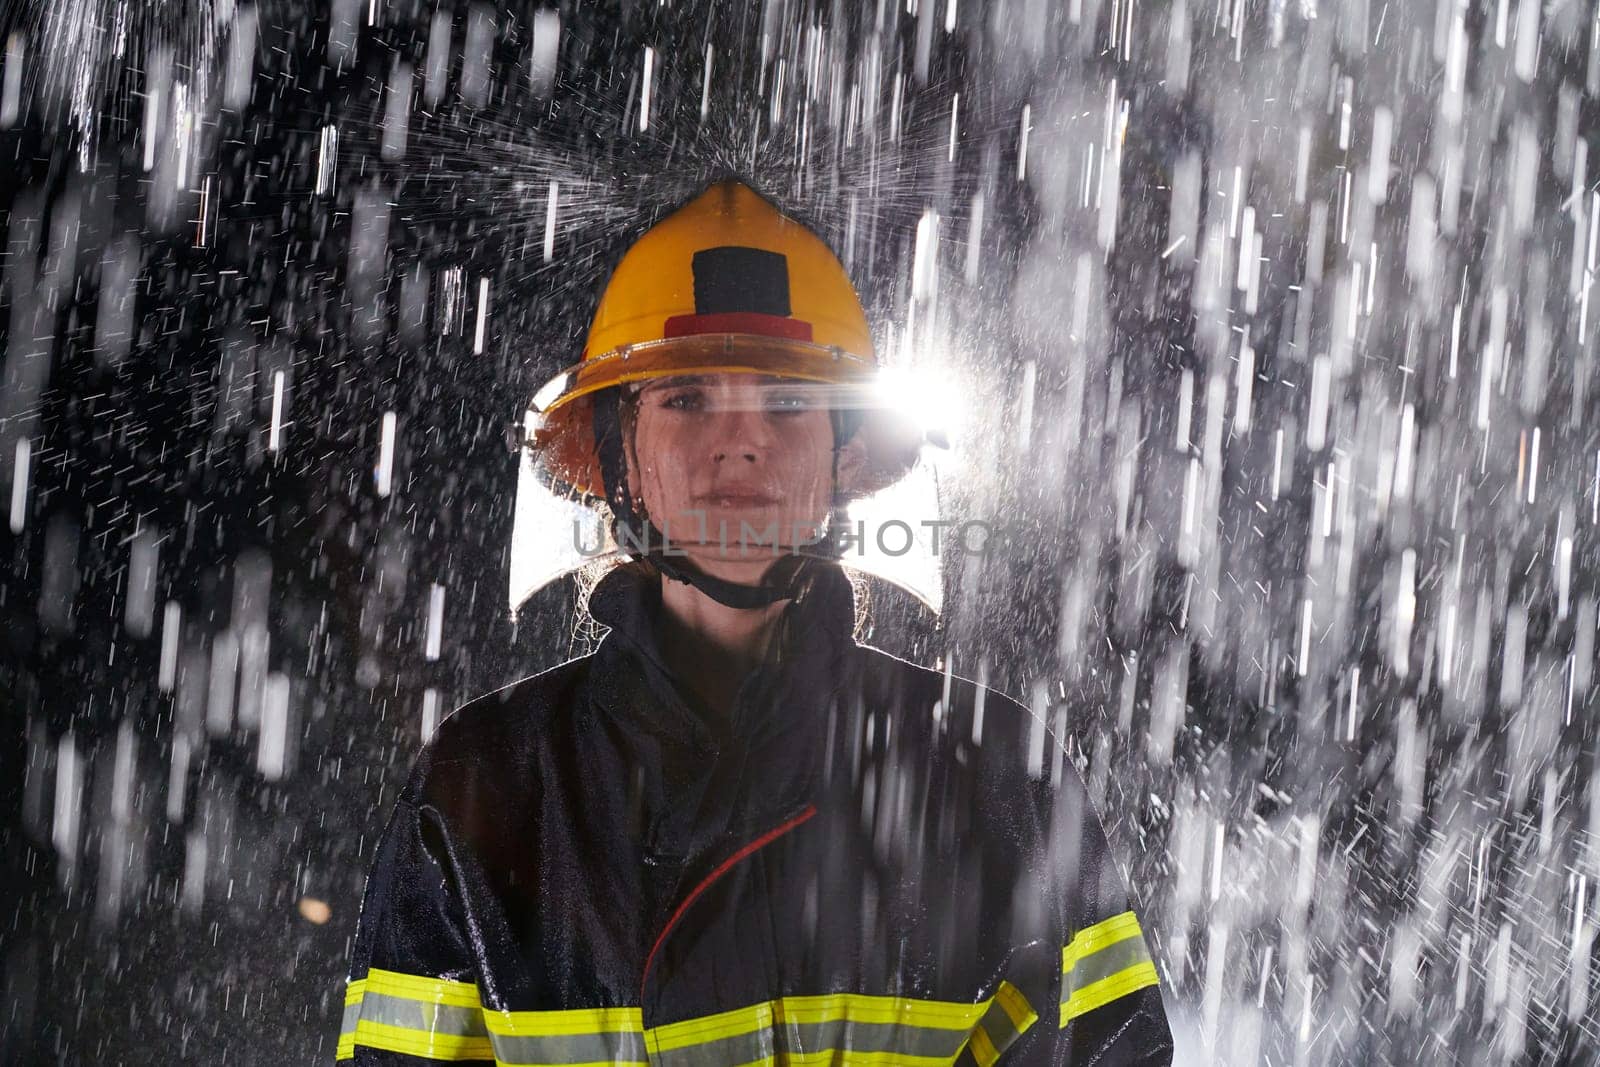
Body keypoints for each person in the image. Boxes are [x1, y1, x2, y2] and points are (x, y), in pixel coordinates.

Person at [336, 180, 1174, 1065]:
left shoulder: (994, 773)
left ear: (842, 452)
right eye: (687, 397)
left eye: (785, 401)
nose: (740, 442)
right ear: (619, 452)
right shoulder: (481, 790)